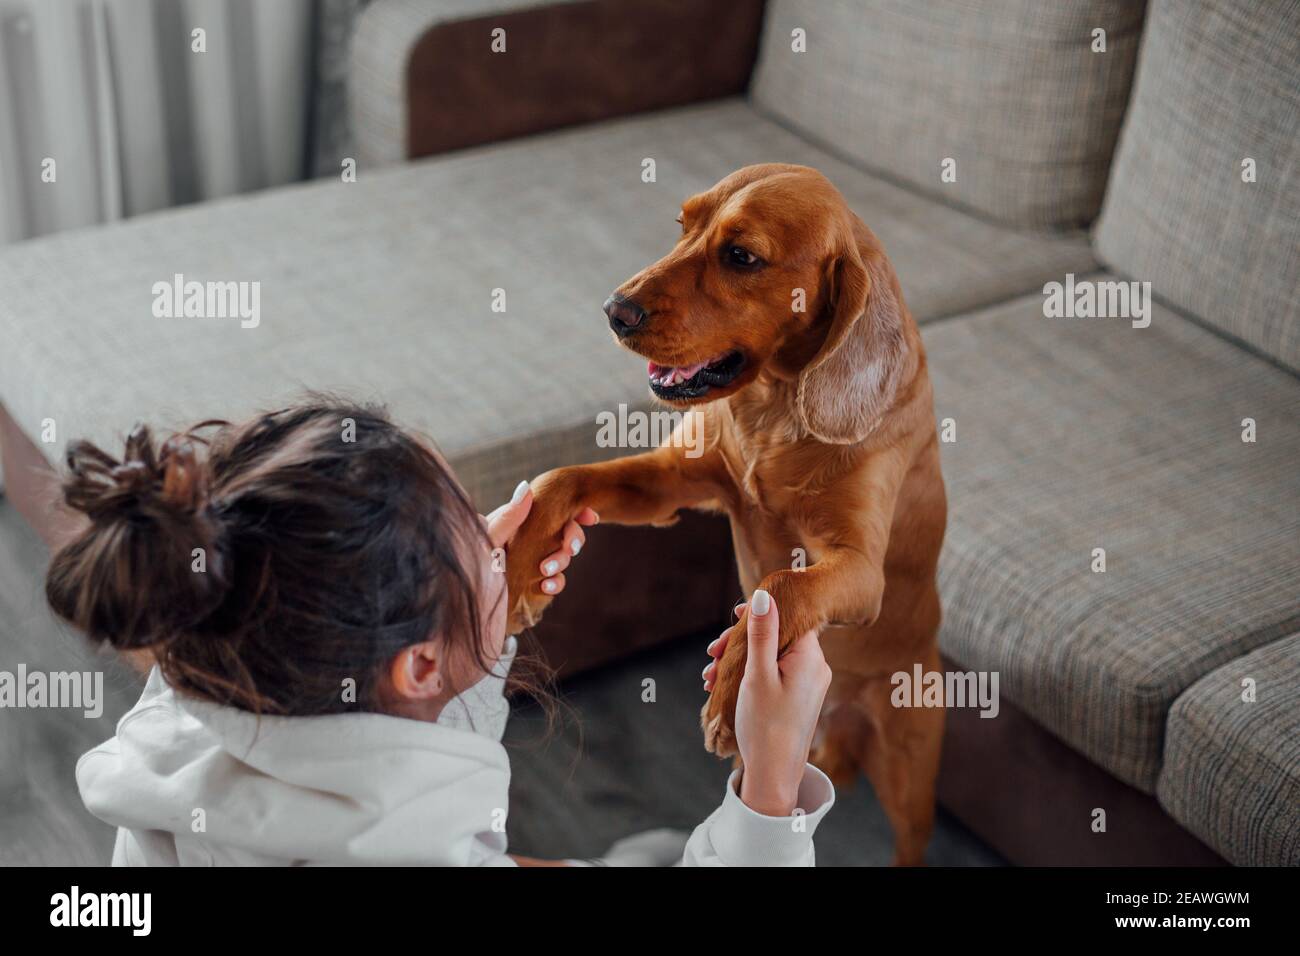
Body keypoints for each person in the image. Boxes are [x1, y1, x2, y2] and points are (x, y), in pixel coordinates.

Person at [49, 400, 834, 865]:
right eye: (478, 553)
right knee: (661, 850)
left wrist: (468, 617)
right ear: (418, 666)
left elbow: (378, 730)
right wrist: (771, 783)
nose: (498, 549)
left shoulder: (203, 669)